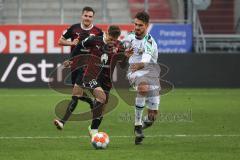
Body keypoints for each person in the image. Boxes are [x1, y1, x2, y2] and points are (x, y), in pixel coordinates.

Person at [56, 25, 132, 136]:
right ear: (106, 33)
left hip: (107, 80)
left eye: (114, 40)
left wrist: (126, 57)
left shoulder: (119, 46)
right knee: (101, 97)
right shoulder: (94, 40)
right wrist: (71, 59)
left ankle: (92, 127)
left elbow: (123, 65)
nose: (112, 42)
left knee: (102, 108)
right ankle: (94, 130)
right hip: (91, 75)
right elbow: (79, 46)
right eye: (110, 39)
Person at [54, 6, 103, 130]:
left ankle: (62, 122)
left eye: (90, 16)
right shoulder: (74, 28)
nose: (87, 18)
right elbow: (60, 41)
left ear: (93, 18)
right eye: (86, 16)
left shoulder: (98, 32)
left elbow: (103, 47)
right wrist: (72, 43)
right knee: (79, 93)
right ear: (82, 16)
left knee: (75, 95)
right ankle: (92, 103)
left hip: (88, 66)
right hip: (75, 65)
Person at [125, 11, 160, 145]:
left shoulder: (150, 42)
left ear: (146, 26)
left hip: (151, 73)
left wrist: (139, 63)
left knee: (152, 117)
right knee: (143, 86)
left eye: (140, 25)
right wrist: (124, 52)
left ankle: (140, 130)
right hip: (135, 73)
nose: (137, 28)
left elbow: (144, 63)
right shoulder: (129, 37)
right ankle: (137, 125)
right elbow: (120, 48)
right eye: (135, 24)